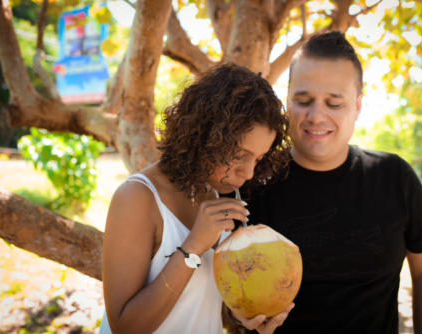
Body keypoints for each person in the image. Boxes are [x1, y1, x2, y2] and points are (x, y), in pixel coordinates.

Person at [238, 31, 422, 333]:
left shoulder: (394, 177)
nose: (316, 116)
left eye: (334, 103)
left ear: (358, 106)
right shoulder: (252, 180)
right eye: (303, 100)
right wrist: (236, 318)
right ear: (287, 101)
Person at [99, 63, 293, 334]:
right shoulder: (137, 198)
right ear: (205, 135)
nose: (249, 173)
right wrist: (193, 247)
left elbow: (200, 305)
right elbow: (125, 327)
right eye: (240, 155)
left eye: (258, 159)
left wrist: (242, 317)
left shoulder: (212, 195)